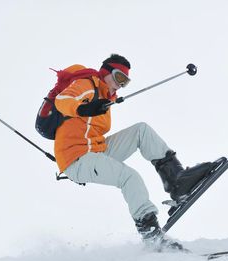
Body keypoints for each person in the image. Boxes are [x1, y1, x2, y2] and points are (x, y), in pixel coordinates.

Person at [54, 54, 219, 250]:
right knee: (130, 177)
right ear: (106, 72)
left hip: (97, 150)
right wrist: (83, 108)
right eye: (119, 78)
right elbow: (61, 100)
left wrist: (95, 106)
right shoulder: (87, 85)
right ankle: (150, 233)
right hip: (76, 158)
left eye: (126, 82)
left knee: (141, 130)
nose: (121, 85)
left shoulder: (106, 98)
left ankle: (177, 182)